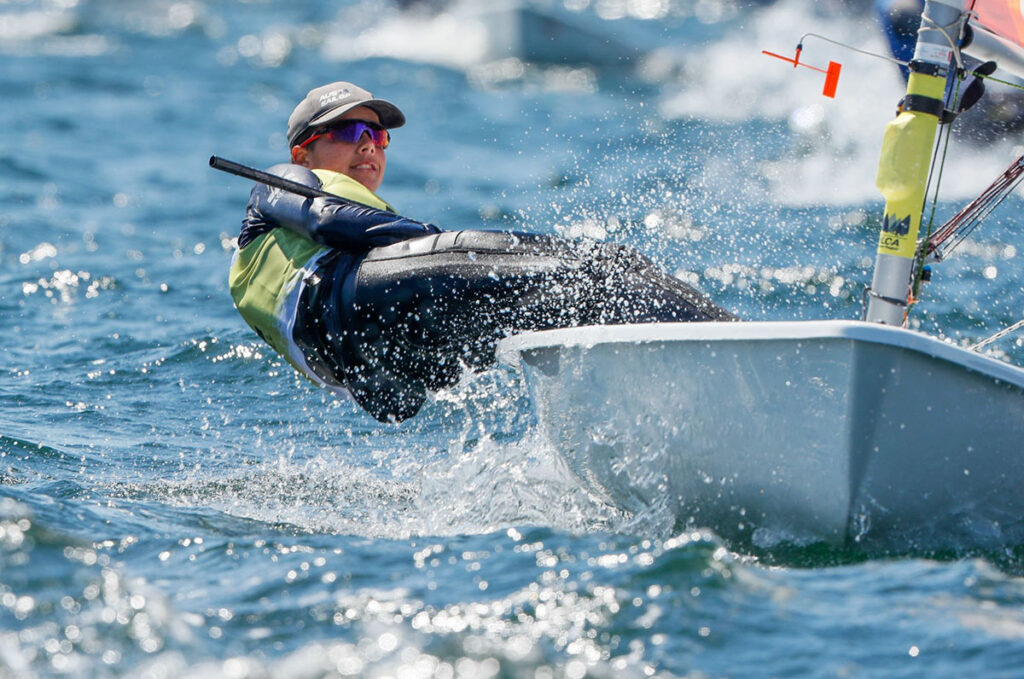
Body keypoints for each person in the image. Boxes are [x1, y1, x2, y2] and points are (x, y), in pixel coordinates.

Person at [228, 81, 736, 423]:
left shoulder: (296, 249)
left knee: (572, 303)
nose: (368, 146)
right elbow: (324, 216)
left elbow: (393, 406)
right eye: (346, 132)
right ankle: (734, 346)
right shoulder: (278, 185)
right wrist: (433, 239)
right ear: (302, 152)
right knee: (604, 269)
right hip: (362, 304)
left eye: (378, 135)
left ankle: (680, 405)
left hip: (371, 350)